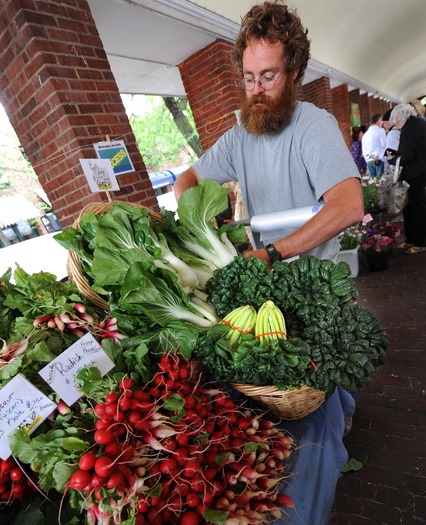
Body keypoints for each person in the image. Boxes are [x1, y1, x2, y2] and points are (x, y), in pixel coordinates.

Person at [175, 2, 364, 524]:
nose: (257, 89)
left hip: (317, 287)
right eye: (249, 77)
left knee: (310, 405)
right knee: (310, 392)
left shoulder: (314, 127)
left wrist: (275, 251)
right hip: (266, 288)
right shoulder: (241, 132)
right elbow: (186, 180)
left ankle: (310, 507)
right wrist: (200, 222)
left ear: (295, 73)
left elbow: (349, 205)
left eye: (269, 77)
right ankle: (343, 410)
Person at [390, 103, 426, 254]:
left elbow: (406, 156)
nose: (397, 127)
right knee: (411, 208)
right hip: (420, 171)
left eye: (396, 123)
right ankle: (411, 239)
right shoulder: (419, 124)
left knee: (417, 209)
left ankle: (420, 242)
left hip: (416, 174)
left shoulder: (409, 129)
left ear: (401, 118)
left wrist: (391, 160)